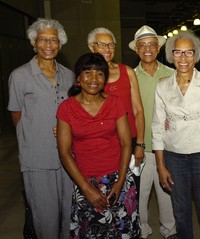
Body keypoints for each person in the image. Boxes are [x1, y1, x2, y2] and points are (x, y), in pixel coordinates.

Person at [152, 31, 200, 239]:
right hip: (174, 155)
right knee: (181, 214)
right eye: (178, 52)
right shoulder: (163, 86)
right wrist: (160, 164)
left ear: (196, 55)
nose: (183, 58)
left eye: (188, 52)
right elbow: (157, 127)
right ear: (171, 55)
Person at [57, 52, 139, 238]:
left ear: (105, 79)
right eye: (88, 73)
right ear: (78, 78)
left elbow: (126, 143)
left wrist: (120, 182)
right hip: (85, 181)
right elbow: (64, 152)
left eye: (99, 73)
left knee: (122, 231)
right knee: (92, 232)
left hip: (119, 178)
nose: (94, 78)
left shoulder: (115, 103)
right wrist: (86, 189)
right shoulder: (66, 108)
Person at [7, 18, 74, 239]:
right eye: (42, 40)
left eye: (53, 40)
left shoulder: (69, 75)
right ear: (34, 42)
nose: (48, 45)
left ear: (60, 43)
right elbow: (17, 117)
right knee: (45, 219)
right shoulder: (19, 76)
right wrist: (38, 133)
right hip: (37, 158)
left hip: (68, 158)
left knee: (69, 215)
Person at [129, 25, 177, 239]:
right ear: (136, 50)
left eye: (151, 45)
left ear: (158, 48)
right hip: (140, 146)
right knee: (140, 194)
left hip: (167, 146)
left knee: (167, 192)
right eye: (142, 45)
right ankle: (142, 230)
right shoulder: (129, 76)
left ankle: (170, 230)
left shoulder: (172, 74)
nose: (147, 49)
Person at [87, 27, 145, 166]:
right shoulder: (85, 76)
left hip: (129, 139)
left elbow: (138, 110)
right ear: (91, 47)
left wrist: (140, 144)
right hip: (101, 143)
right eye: (101, 44)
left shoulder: (128, 72)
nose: (107, 49)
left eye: (111, 45)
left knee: (130, 185)